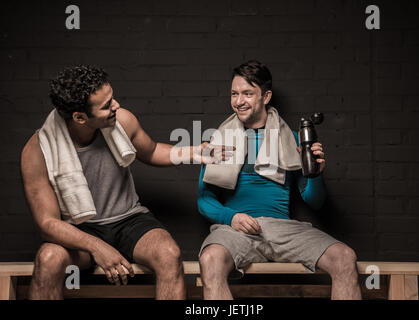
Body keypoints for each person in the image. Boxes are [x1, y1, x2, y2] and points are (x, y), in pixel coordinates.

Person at [20, 65, 228, 300]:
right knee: (48, 260)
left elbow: (151, 151)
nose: (116, 106)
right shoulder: (37, 151)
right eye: (106, 105)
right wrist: (97, 246)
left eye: (112, 98)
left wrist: (194, 152)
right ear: (80, 117)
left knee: (169, 254)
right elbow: (47, 223)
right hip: (79, 227)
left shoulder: (122, 120)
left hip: (128, 220)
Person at [197, 60, 362, 300]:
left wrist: (314, 175)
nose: (239, 101)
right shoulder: (217, 141)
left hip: (283, 229)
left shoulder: (292, 139)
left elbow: (315, 202)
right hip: (236, 230)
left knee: (344, 258)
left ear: (266, 96)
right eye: (234, 93)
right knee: (210, 260)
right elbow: (204, 201)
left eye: (247, 93)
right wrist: (231, 217)